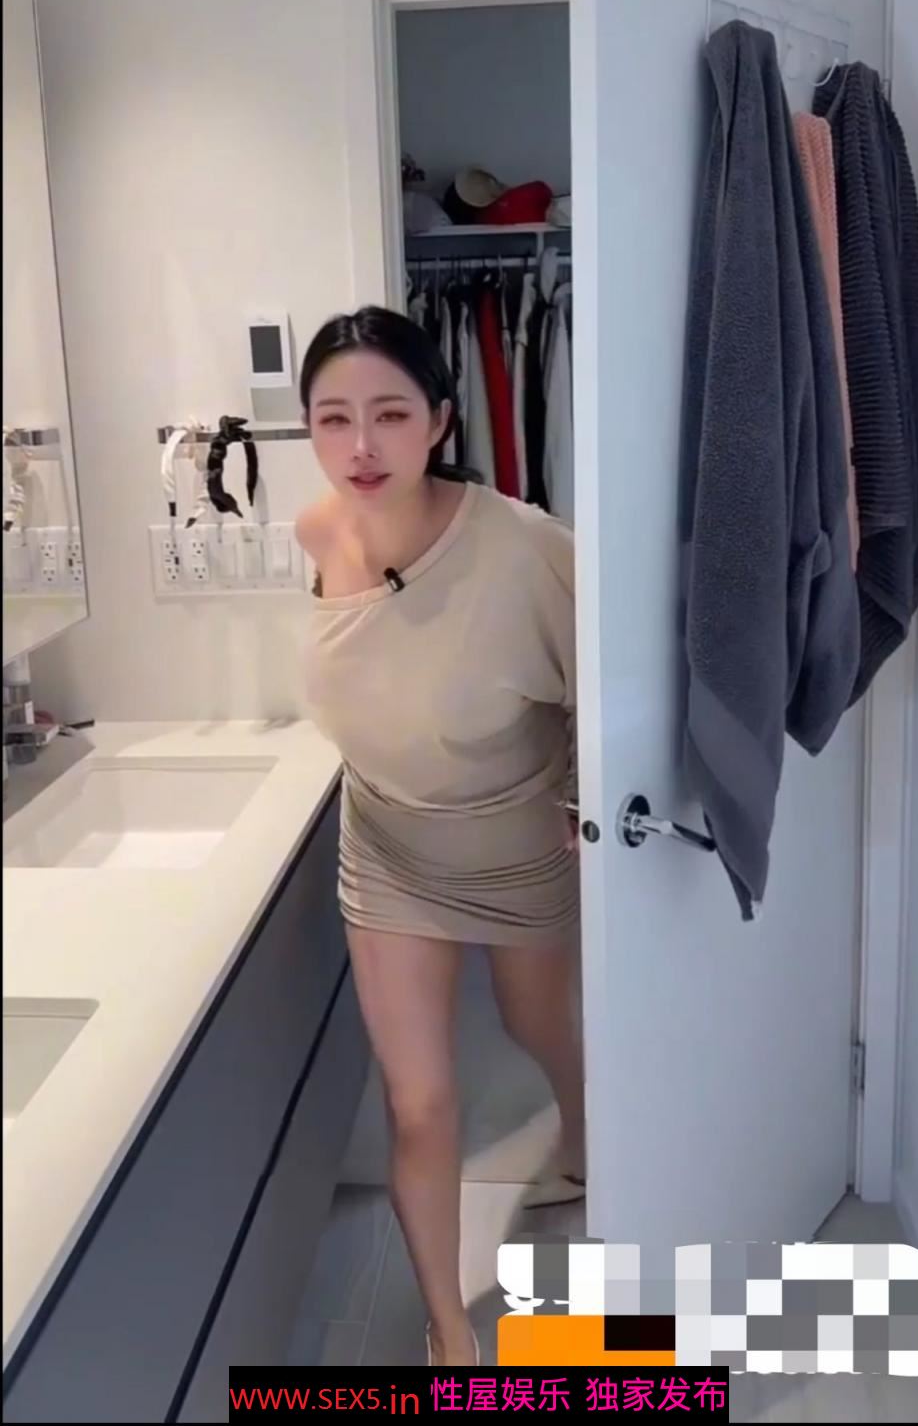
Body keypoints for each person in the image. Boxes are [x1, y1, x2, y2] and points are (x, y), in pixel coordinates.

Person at [295, 306, 584, 1368]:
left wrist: (584, 800)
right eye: (333, 419)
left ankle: (587, 1136)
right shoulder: (316, 532)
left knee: (537, 1025)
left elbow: (604, 687)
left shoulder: (525, 547)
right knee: (417, 1102)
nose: (361, 445)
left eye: (389, 413)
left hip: (514, 841)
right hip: (387, 847)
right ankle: (447, 1327)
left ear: (440, 419)